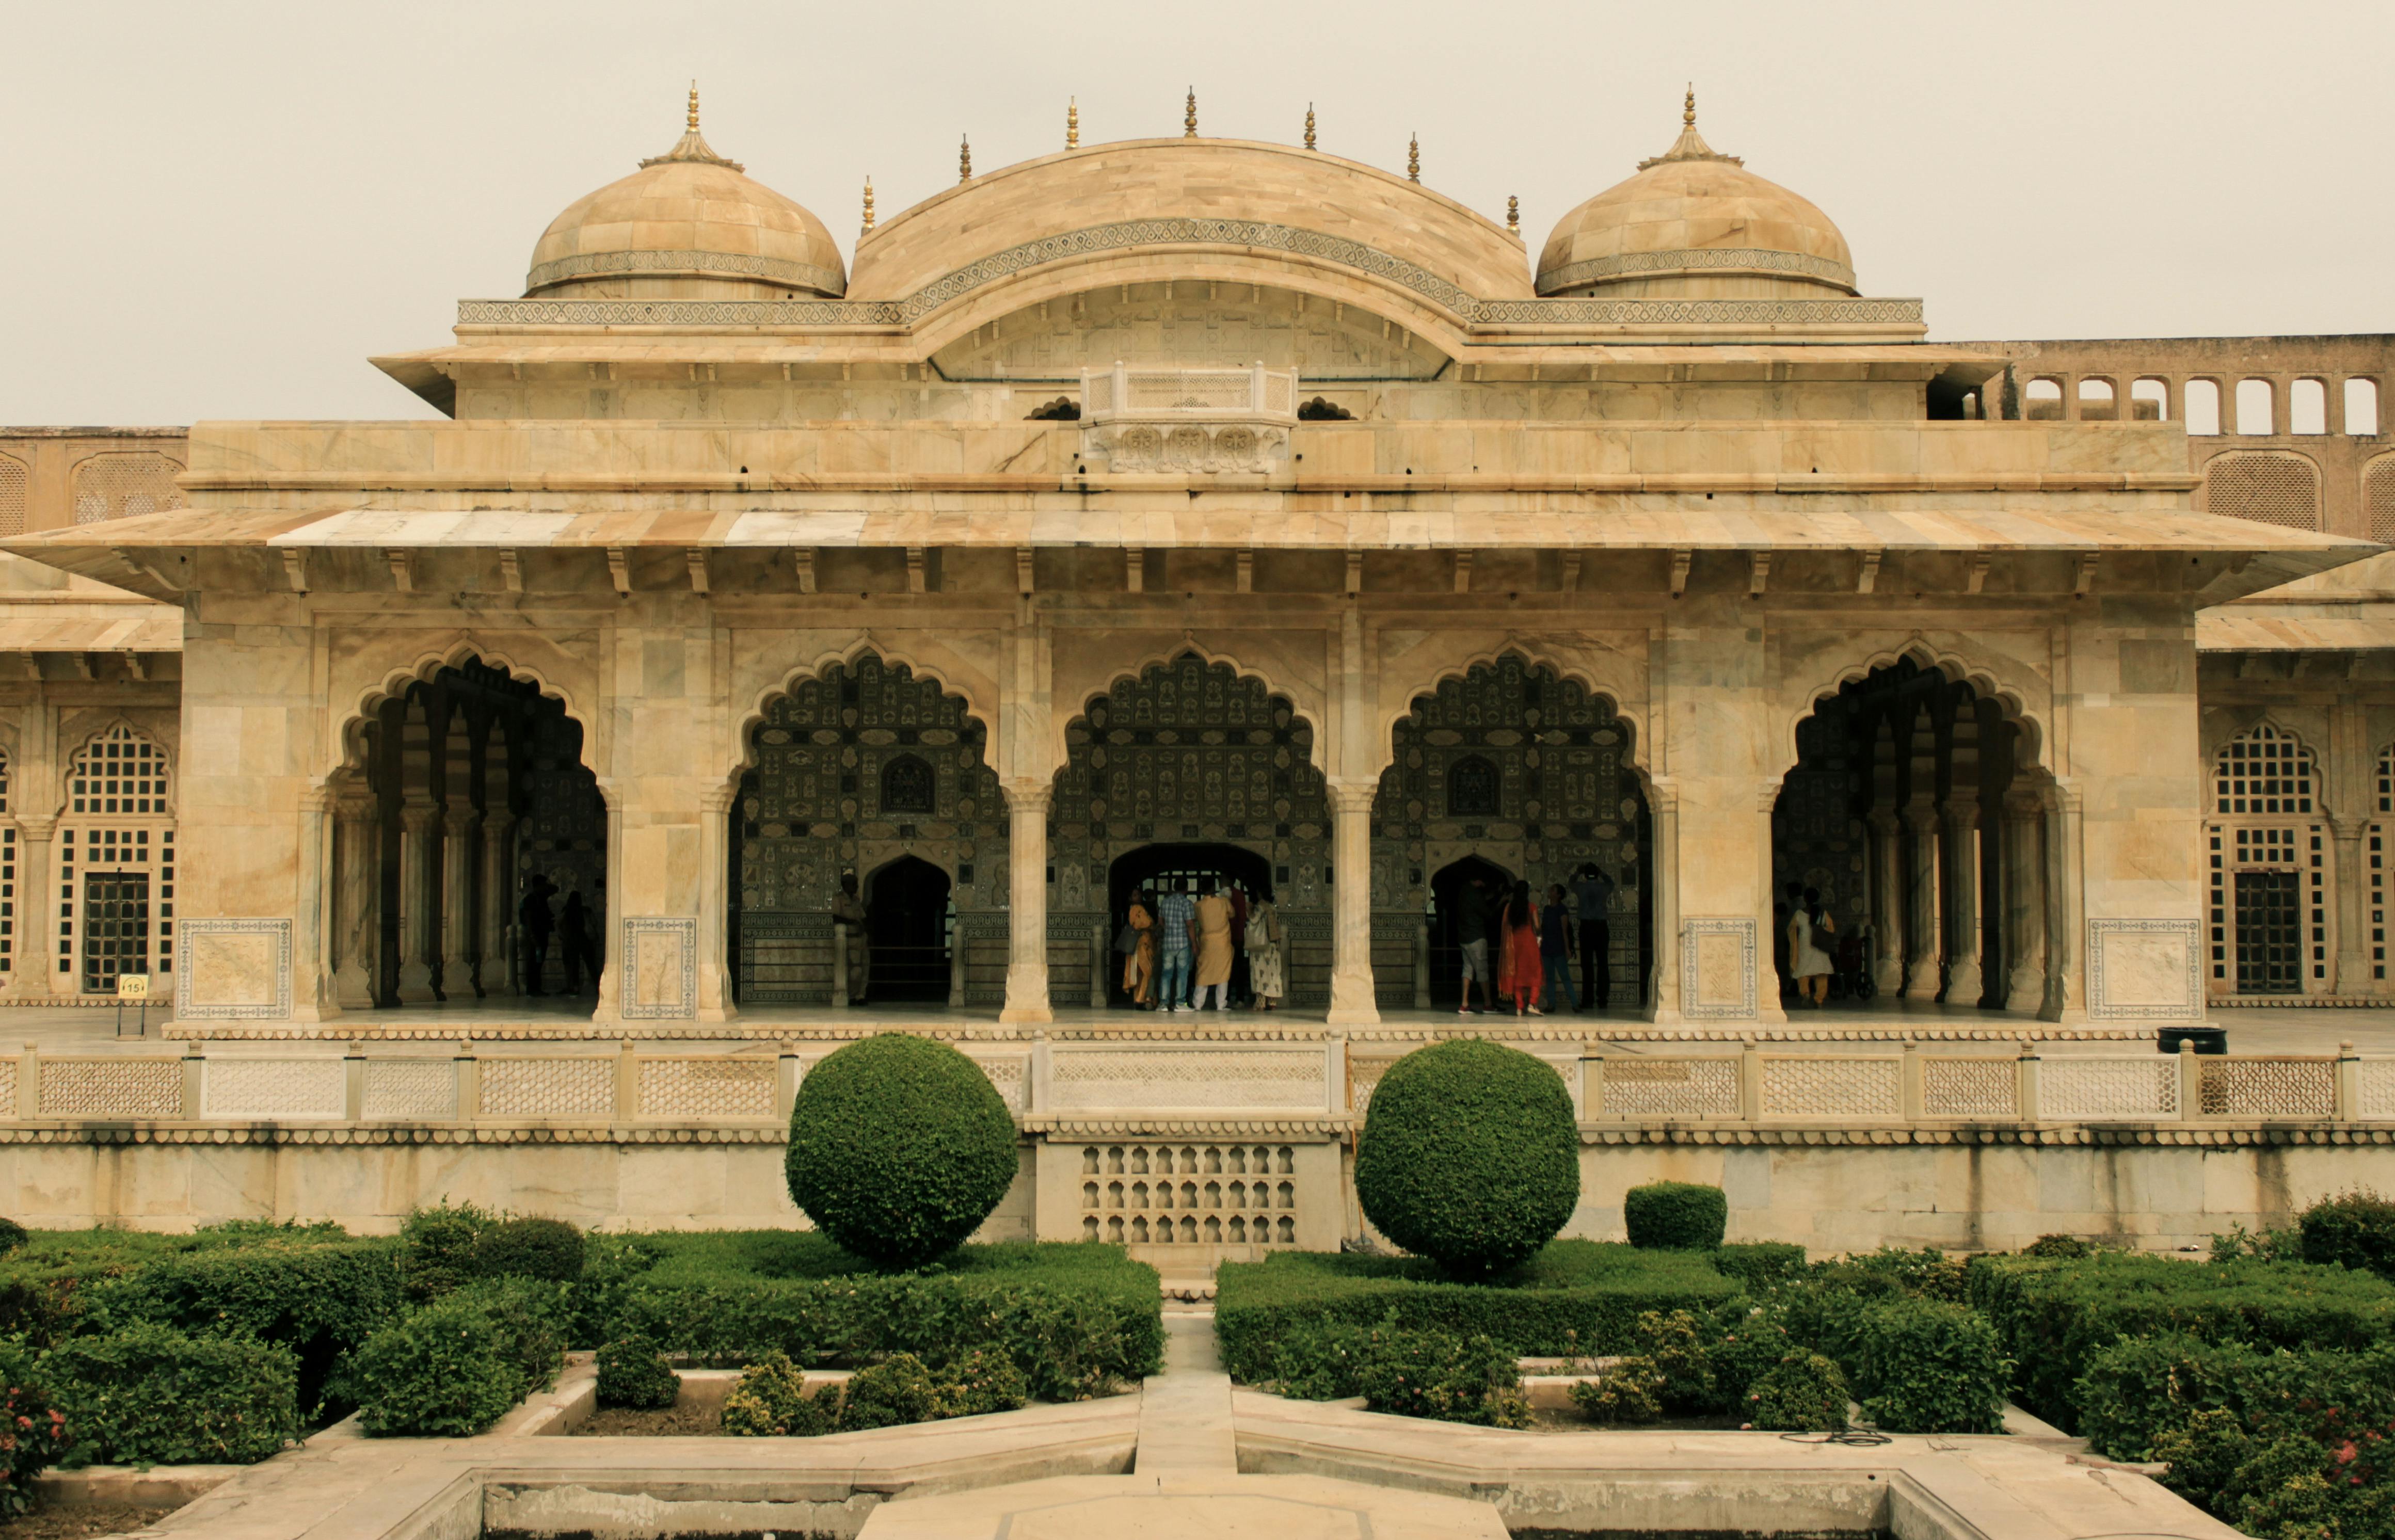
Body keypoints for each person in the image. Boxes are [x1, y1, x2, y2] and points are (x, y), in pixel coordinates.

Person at [1572, 862, 1616, 1013]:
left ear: (1585, 875)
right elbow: (1611, 883)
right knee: (1603, 964)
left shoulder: (1580, 887)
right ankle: (1603, 999)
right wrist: (1602, 873)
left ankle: (1588, 1000)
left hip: (1586, 928)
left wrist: (1578, 871)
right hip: (1601, 927)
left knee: (1587, 965)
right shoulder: (1604, 888)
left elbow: (1570, 882)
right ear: (1597, 875)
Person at [1499, 878, 1545, 1014]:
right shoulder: (1531, 907)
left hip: (1514, 944)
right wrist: (1539, 936)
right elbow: (1537, 926)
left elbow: (1506, 927)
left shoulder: (1509, 908)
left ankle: (1519, 1007)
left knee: (1517, 974)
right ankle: (1532, 1003)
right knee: (1536, 973)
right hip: (1529, 943)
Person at [1789, 885, 1837, 1007]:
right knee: (1821, 973)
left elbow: (1792, 930)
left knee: (1803, 971)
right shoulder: (1823, 913)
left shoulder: (1799, 914)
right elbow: (1831, 929)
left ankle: (1805, 994)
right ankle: (1819, 999)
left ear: (1805, 899)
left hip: (1805, 945)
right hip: (1819, 946)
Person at [1455, 874, 1495, 1015]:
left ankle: (1464, 1004)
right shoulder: (1474, 893)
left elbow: (1478, 904)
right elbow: (1488, 913)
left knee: (1467, 970)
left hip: (1464, 937)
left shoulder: (1463, 892)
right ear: (1478, 880)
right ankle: (1488, 1004)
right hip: (1476, 937)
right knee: (1482, 970)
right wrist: (1501, 901)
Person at [1193, 877, 1234, 1011]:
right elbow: (1232, 914)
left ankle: (1198, 1003)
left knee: (1204, 972)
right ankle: (1221, 1004)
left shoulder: (1198, 905)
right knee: (1223, 973)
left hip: (1206, 942)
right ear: (1213, 888)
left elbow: (1195, 921)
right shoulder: (1224, 902)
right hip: (1223, 942)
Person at [1155, 880, 1197, 1012]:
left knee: (1166, 973)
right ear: (1186, 889)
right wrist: (1195, 944)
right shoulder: (1186, 903)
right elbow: (1190, 924)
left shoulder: (1165, 902)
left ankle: (1163, 1003)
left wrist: (1168, 929)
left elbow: (1160, 921)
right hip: (1183, 943)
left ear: (1174, 887)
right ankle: (1180, 1003)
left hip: (1168, 943)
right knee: (1182, 973)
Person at [1540, 883, 1580, 1014]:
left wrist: (1567, 949)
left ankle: (1575, 1004)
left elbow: (1564, 931)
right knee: (1550, 978)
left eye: (1553, 891)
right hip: (1547, 948)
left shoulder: (1562, 910)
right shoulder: (1547, 909)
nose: (1550, 892)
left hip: (1558, 948)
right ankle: (1551, 1005)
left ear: (1558, 895)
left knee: (1565, 977)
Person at [832, 872, 870, 1004]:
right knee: (855, 970)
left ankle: (861, 995)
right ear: (845, 885)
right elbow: (836, 917)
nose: (856, 887)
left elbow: (863, 917)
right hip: (850, 939)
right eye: (854, 884)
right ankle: (853, 997)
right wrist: (853, 923)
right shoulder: (838, 899)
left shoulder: (856, 900)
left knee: (864, 968)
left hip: (861, 939)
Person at [1248, 889, 1285, 1010]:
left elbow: (1254, 920)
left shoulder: (1260, 907)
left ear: (1260, 894)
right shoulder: (1272, 907)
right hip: (1273, 945)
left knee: (1261, 974)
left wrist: (1249, 910)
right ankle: (1272, 1003)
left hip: (1262, 945)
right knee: (1273, 974)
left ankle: (1261, 1004)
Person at [518, 874, 555, 996]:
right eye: (544, 884)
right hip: (534, 935)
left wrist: (548, 885)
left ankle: (536, 988)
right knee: (534, 962)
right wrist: (532, 935)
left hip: (542, 933)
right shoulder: (531, 899)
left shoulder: (541, 897)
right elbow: (529, 918)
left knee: (539, 961)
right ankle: (532, 988)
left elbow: (555, 889)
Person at [1120, 890, 1157, 1008]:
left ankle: (1140, 999)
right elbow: (1145, 922)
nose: (1139, 897)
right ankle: (1142, 999)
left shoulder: (1140, 908)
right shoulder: (1136, 909)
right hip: (1142, 944)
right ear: (1130, 898)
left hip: (1144, 943)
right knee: (1148, 972)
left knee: (1140, 973)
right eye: (1135, 895)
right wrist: (1152, 923)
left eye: (1139, 894)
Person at [559, 884, 591, 994]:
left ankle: (571, 987)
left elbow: (559, 923)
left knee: (570, 965)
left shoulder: (567, 910)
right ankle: (576, 987)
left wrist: (562, 935)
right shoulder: (583, 911)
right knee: (579, 964)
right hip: (580, 940)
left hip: (568, 941)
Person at [1227, 883, 1251, 1007]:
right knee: (1238, 968)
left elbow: (1238, 917)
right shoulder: (1240, 895)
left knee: (1230, 969)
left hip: (1231, 938)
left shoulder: (1229, 896)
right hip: (1238, 937)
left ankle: (1226, 998)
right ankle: (1238, 998)